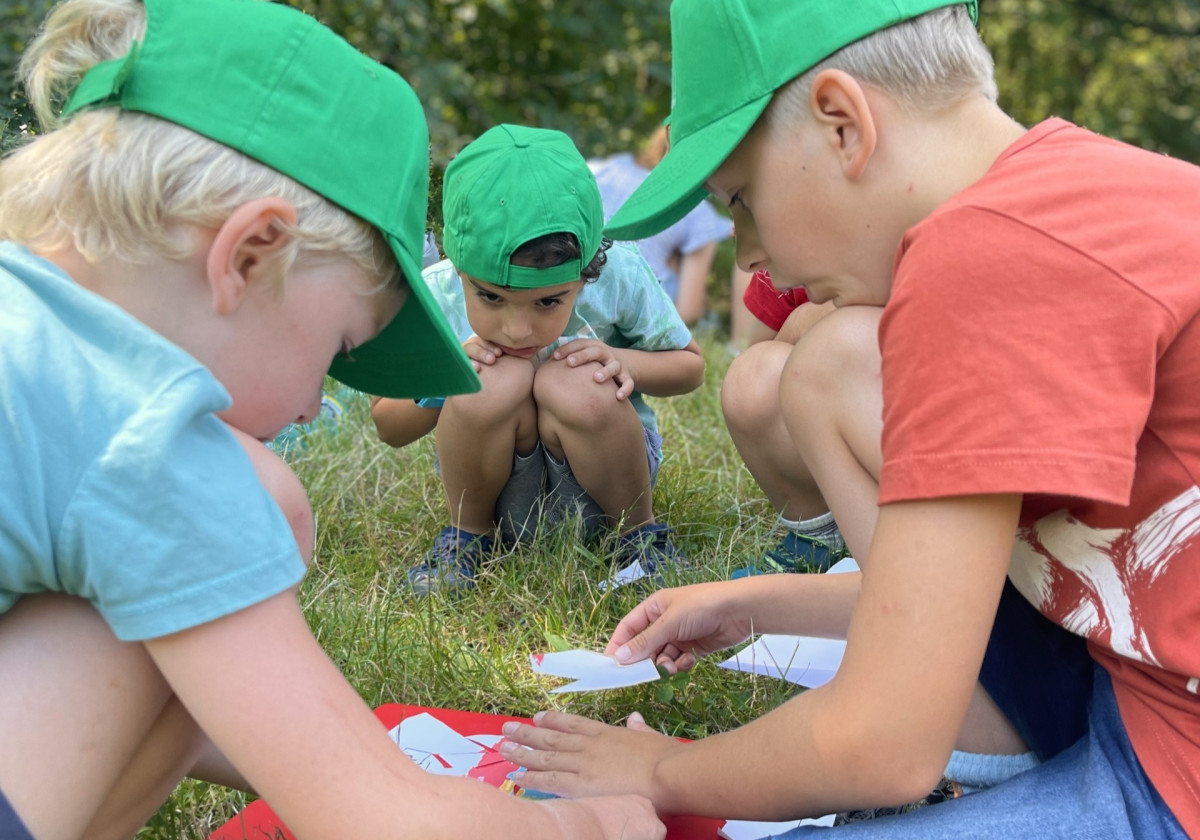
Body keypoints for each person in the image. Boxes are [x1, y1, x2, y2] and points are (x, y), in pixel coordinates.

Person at [498, 1, 1199, 838]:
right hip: (1128, 683)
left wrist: (659, 772)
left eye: (741, 199)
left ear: (843, 125)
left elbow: (883, 745)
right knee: (836, 355)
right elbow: (952, 591)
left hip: (1172, 775)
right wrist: (758, 604)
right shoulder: (1089, 187)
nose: (750, 253)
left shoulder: (976, 262)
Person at [0, 3, 664, 840]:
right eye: (338, 348)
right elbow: (385, 826)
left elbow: (208, 717)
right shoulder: (147, 449)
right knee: (264, 501)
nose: (316, 404)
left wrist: (364, 761)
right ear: (250, 255)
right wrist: (598, 825)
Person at [372, 124, 705, 596]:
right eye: (490, 297)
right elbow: (388, 425)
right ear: (458, 266)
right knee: (488, 380)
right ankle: (467, 541)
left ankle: (639, 540)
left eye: (548, 302)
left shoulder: (619, 274)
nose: (518, 329)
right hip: (494, 498)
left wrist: (623, 362)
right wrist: (447, 379)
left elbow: (690, 367)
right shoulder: (437, 292)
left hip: (608, 488)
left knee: (575, 379)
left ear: (586, 272)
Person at [721, 270, 845, 577]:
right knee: (753, 375)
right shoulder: (781, 266)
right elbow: (758, 364)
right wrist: (801, 323)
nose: (746, 261)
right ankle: (818, 536)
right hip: (837, 427)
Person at [590, 126, 731, 325]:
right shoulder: (698, 211)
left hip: (578, 277)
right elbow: (688, 312)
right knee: (676, 262)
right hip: (629, 307)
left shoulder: (613, 166)